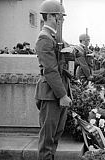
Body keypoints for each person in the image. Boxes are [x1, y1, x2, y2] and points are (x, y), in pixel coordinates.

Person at [34, 0, 72, 159]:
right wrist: (62, 95)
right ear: (49, 16)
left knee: (56, 134)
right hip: (51, 94)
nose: (61, 19)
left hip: (57, 91)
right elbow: (50, 70)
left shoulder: (55, 37)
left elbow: (70, 52)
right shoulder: (45, 38)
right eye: (59, 16)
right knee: (47, 140)